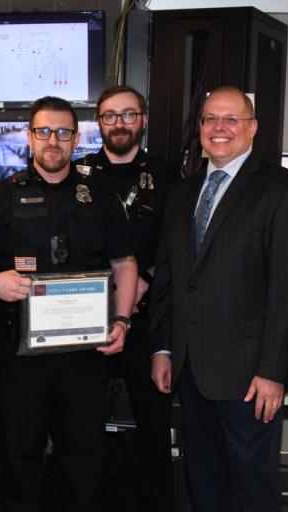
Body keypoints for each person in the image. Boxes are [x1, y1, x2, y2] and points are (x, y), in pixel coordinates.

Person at [149, 85, 288, 511]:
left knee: (251, 485)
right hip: (190, 370)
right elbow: (170, 278)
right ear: (200, 128)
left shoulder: (287, 190)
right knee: (204, 480)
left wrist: (273, 371)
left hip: (250, 376)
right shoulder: (184, 192)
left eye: (231, 119)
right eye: (210, 119)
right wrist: (163, 348)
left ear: (252, 128)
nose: (219, 128)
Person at [0, 95, 137, 511]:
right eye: (44, 131)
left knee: (83, 458)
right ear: (30, 137)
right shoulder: (1, 196)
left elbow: (125, 263)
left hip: (85, 354)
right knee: (18, 457)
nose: (53, 141)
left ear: (76, 138)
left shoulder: (99, 194)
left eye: (63, 132)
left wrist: (122, 320)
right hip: (18, 354)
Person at [72, 85, 179, 511]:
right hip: (87, 318)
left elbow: (180, 244)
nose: (119, 123)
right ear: (98, 122)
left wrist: (143, 284)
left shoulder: (168, 176)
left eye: (128, 115)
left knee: (153, 427)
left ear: (144, 120)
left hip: (149, 320)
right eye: (110, 115)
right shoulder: (78, 176)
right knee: (82, 428)